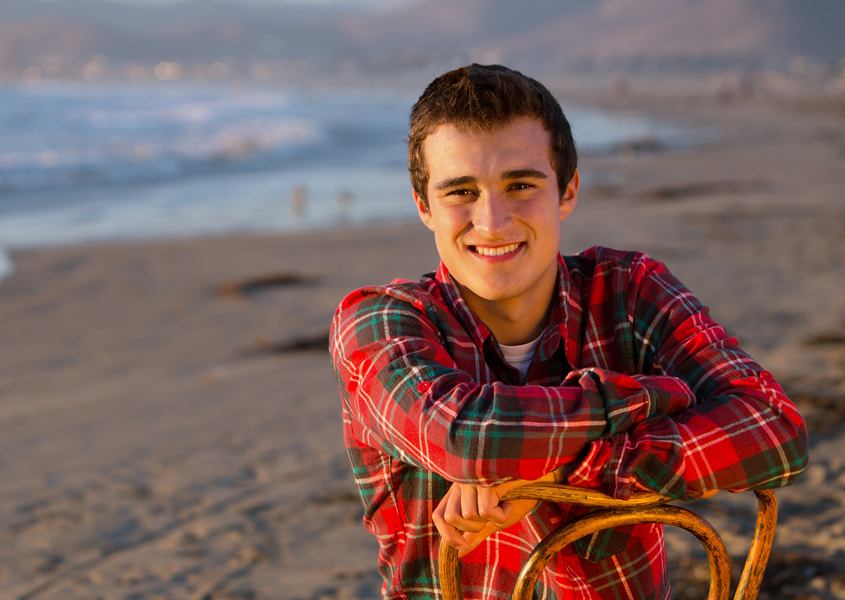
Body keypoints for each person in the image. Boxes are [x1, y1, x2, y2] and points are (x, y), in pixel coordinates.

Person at [328, 64, 808, 600]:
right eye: (461, 191)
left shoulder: (628, 292)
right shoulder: (378, 323)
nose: (492, 222)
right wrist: (651, 399)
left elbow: (775, 428)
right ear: (424, 206)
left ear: (567, 190)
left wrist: (560, 474)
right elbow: (465, 438)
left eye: (521, 185)